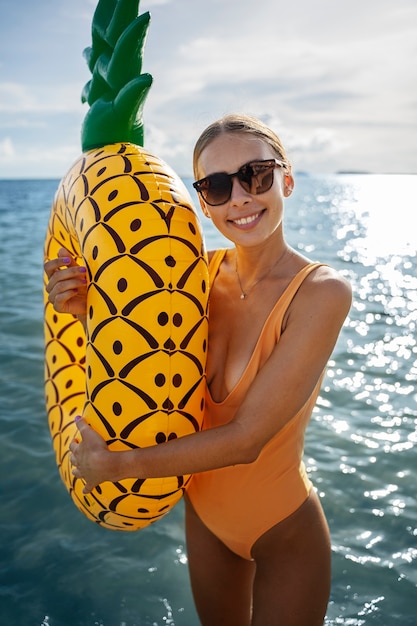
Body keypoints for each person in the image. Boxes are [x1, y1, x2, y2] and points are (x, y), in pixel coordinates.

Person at [45, 114, 352, 625]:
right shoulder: (194, 277)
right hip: (204, 520)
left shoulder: (322, 293)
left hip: (283, 534)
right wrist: (82, 309)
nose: (239, 198)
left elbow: (246, 438)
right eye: (216, 186)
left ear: (287, 180)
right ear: (202, 203)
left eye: (256, 175)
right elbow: (146, 367)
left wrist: (118, 467)